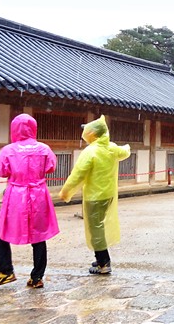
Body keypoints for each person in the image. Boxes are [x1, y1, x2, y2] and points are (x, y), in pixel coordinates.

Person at [0, 114, 59, 288]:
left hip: (16, 194)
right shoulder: (44, 149)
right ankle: (37, 277)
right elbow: (51, 167)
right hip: (38, 194)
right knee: (39, 235)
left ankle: (6, 271)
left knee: (1, 232)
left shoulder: (9, 150)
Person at [59, 115, 130, 275]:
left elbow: (78, 174)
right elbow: (124, 152)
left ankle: (103, 263)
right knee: (99, 226)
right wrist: (127, 146)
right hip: (108, 195)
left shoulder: (90, 152)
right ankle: (100, 258)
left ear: (93, 134)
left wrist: (66, 191)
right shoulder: (111, 147)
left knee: (95, 228)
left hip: (94, 197)